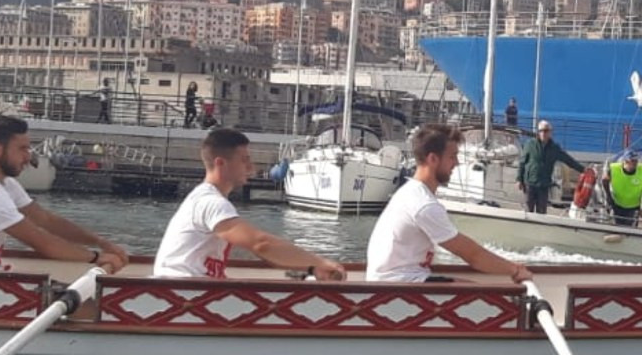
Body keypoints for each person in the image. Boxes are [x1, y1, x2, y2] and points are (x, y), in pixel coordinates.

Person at [0, 115, 130, 273]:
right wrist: (96, 258)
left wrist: (101, 243)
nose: (28, 156)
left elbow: (46, 221)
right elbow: (41, 242)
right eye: (22, 149)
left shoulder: (7, 184)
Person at [154, 128, 347, 280]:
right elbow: (261, 244)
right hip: (181, 293)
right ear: (221, 163)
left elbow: (264, 251)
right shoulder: (210, 202)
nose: (251, 167)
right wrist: (321, 262)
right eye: (244, 160)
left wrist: (311, 268)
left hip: (192, 291)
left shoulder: (207, 199)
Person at [366, 124, 533, 284]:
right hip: (396, 285)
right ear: (433, 159)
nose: (457, 163)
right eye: (452, 157)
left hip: (398, 280)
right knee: (479, 297)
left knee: (475, 291)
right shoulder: (424, 204)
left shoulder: (410, 192)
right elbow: (472, 255)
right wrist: (515, 271)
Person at [515, 120, 585, 215]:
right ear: (538, 132)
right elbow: (522, 162)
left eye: (546, 131)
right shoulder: (530, 144)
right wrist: (519, 179)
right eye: (541, 131)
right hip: (529, 184)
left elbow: (568, 160)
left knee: (542, 213)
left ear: (550, 132)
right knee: (528, 213)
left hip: (544, 185)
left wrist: (583, 170)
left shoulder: (554, 148)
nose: (543, 133)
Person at [607, 152, 642, 227]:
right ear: (625, 161)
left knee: (630, 230)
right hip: (617, 204)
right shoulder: (614, 168)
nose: (635, 163)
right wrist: (608, 197)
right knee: (615, 228)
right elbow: (604, 180)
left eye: (636, 161)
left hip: (634, 206)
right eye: (632, 161)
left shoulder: (640, 170)